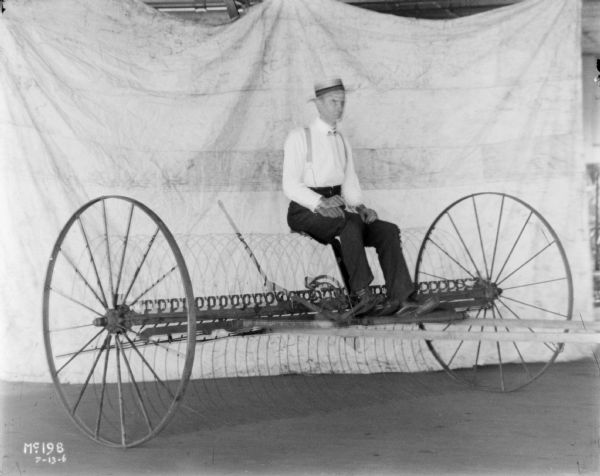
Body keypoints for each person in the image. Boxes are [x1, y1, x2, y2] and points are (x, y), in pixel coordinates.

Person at [282, 78, 435, 316]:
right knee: (349, 222)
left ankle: (403, 297)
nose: (339, 108)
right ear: (318, 104)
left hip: (338, 209)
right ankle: (361, 295)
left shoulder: (342, 141)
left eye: (342, 102)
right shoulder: (299, 137)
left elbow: (349, 183)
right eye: (333, 102)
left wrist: (361, 207)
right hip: (305, 210)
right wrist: (320, 203)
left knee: (387, 230)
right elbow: (290, 185)